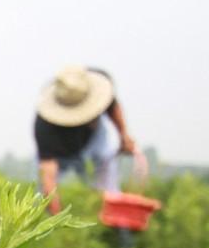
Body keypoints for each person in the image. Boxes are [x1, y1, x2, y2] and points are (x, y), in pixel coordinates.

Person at [34, 65, 137, 214]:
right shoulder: (45, 126)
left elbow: (114, 109)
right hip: (60, 154)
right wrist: (56, 219)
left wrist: (124, 137)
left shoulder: (96, 89)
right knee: (40, 199)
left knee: (110, 195)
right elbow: (48, 174)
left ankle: (115, 228)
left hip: (95, 143)